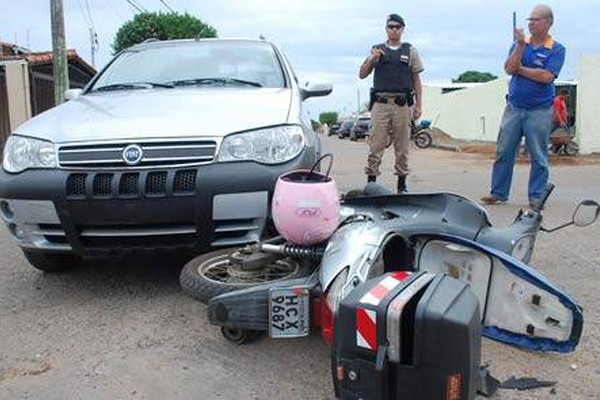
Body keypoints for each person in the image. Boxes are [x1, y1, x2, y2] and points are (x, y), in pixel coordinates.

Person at [481, 5, 565, 208]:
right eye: (530, 19)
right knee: (504, 151)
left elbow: (546, 77)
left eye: (535, 20)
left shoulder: (556, 49)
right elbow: (510, 68)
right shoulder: (520, 44)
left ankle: (536, 196)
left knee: (538, 154)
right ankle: (498, 192)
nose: (530, 23)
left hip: (540, 110)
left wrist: (521, 69)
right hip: (514, 107)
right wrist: (519, 46)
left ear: (548, 22)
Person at [359, 13, 424, 193]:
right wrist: (373, 59)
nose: (394, 30)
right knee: (376, 145)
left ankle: (401, 185)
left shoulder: (410, 51)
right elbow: (362, 74)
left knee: (402, 146)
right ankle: (371, 182)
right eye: (390, 27)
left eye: (397, 27)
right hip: (380, 103)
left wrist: (419, 105)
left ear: (402, 29)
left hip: (402, 104)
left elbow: (416, 79)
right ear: (386, 29)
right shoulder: (377, 50)